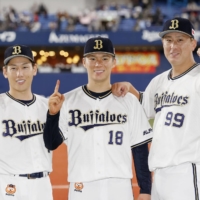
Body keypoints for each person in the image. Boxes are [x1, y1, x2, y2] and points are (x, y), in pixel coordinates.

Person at [43, 36, 153, 200]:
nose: (98, 63)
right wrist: (52, 115)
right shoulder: (68, 101)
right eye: (92, 58)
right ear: (84, 62)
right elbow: (51, 143)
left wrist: (145, 190)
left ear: (113, 62)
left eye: (105, 58)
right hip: (81, 188)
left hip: (120, 187)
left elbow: (140, 148)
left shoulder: (129, 101)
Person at [112, 17, 200, 200]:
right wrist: (132, 90)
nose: (173, 46)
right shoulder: (158, 82)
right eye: (168, 40)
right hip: (159, 175)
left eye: (180, 40)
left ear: (193, 44)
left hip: (188, 172)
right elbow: (145, 108)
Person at [0, 45, 53, 200]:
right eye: (13, 68)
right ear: (5, 72)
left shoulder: (47, 106)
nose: (19, 74)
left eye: (25, 67)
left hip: (43, 186)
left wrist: (127, 87)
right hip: (9, 187)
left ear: (34, 69)